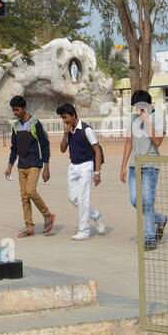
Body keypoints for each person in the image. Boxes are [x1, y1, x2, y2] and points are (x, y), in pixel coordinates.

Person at [120, 89, 167, 251]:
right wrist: (123, 165)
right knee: (135, 200)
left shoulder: (159, 116)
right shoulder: (131, 118)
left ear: (148, 105)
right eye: (135, 107)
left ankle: (149, 238)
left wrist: (147, 121)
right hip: (135, 165)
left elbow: (158, 141)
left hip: (151, 165)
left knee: (147, 201)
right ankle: (159, 219)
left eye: (141, 107)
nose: (138, 110)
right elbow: (128, 143)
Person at [5, 95, 55, 237]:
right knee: (24, 197)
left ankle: (48, 215)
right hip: (21, 165)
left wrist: (46, 167)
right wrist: (9, 166)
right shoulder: (15, 126)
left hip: (35, 163)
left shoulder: (35, 123)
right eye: (13, 110)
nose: (15, 113)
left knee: (30, 191)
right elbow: (14, 148)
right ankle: (29, 227)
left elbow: (45, 145)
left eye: (17, 110)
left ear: (24, 107)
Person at [57, 103, 105, 241]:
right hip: (73, 166)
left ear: (73, 115)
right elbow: (62, 149)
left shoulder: (86, 129)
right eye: (62, 118)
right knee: (72, 198)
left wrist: (97, 173)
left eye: (65, 117)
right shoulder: (68, 130)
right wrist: (65, 135)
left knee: (83, 198)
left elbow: (97, 150)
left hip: (86, 165)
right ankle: (96, 215)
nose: (64, 121)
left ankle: (84, 230)